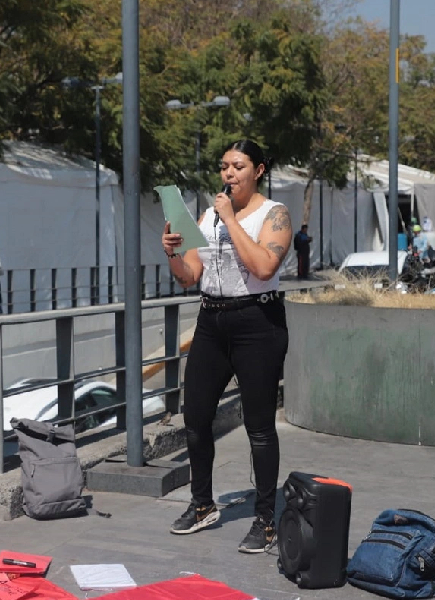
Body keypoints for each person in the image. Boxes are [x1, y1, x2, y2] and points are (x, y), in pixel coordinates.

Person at [162, 139, 291, 554]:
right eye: (224, 167)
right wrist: (172, 254)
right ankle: (202, 505)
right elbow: (189, 276)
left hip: (258, 322)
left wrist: (230, 219)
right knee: (195, 416)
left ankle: (266, 520)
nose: (228, 174)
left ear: (259, 170)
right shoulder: (209, 216)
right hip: (211, 320)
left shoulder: (275, 215)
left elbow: (264, 266)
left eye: (237, 166)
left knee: (259, 427)